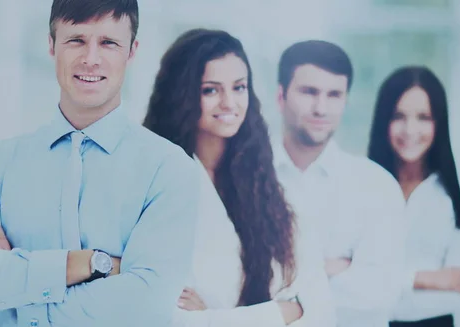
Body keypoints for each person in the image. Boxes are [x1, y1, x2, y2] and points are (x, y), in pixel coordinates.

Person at [0, 1, 200, 326]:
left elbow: (144, 308)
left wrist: (14, 280)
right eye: (76, 40)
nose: (90, 59)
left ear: (131, 52)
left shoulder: (169, 170)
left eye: (108, 43)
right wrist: (89, 263)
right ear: (51, 45)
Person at [143, 28, 336, 327]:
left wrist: (212, 318)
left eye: (239, 87)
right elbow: (166, 317)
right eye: (210, 90)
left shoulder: (266, 183)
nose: (229, 103)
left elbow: (317, 306)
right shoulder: (155, 183)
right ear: (181, 95)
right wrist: (281, 312)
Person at [273, 40, 406, 326]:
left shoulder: (376, 186)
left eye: (334, 94)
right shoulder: (243, 180)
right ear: (280, 97)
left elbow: (379, 295)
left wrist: (282, 290)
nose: (321, 108)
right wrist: (331, 270)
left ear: (345, 100)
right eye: (309, 92)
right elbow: (229, 287)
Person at [368, 66, 460, 327]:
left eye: (424, 117)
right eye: (399, 116)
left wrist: (380, 280)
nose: (410, 130)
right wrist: (423, 278)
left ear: (439, 123)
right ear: (383, 121)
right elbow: (341, 277)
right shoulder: (361, 189)